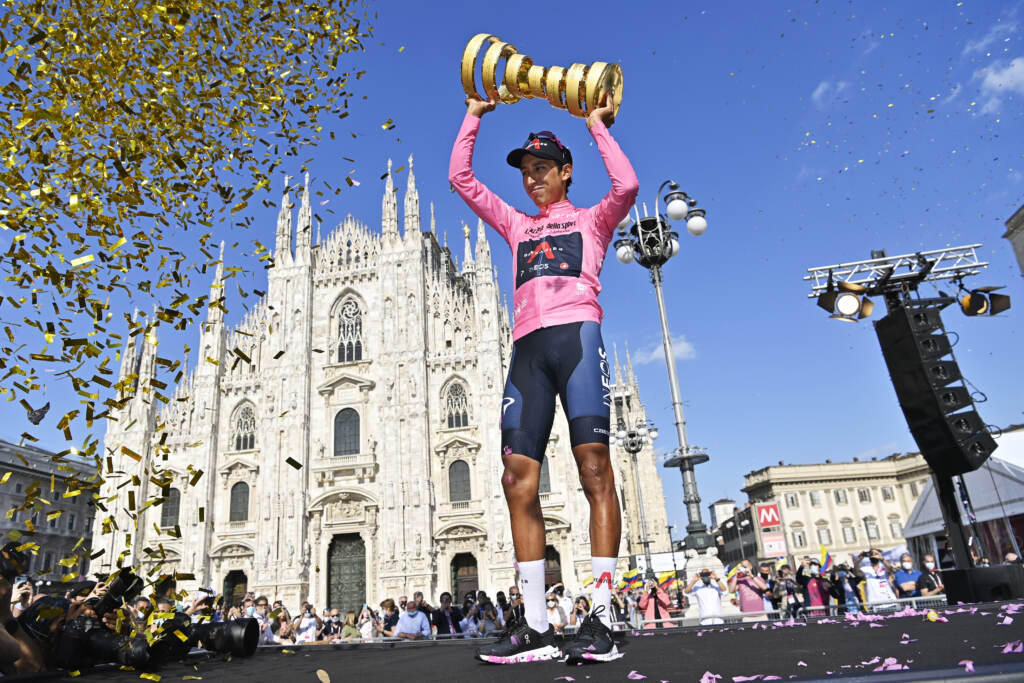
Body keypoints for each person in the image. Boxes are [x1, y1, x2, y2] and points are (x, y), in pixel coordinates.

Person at [450, 83, 637, 666]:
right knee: (516, 479)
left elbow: (626, 185)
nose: (531, 179)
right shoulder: (516, 227)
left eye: (542, 169)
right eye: (526, 171)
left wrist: (597, 126)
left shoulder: (593, 220)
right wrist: (473, 117)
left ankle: (603, 615)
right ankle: (534, 624)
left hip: (577, 340)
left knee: (593, 468)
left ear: (565, 172)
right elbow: (462, 181)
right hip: (528, 350)